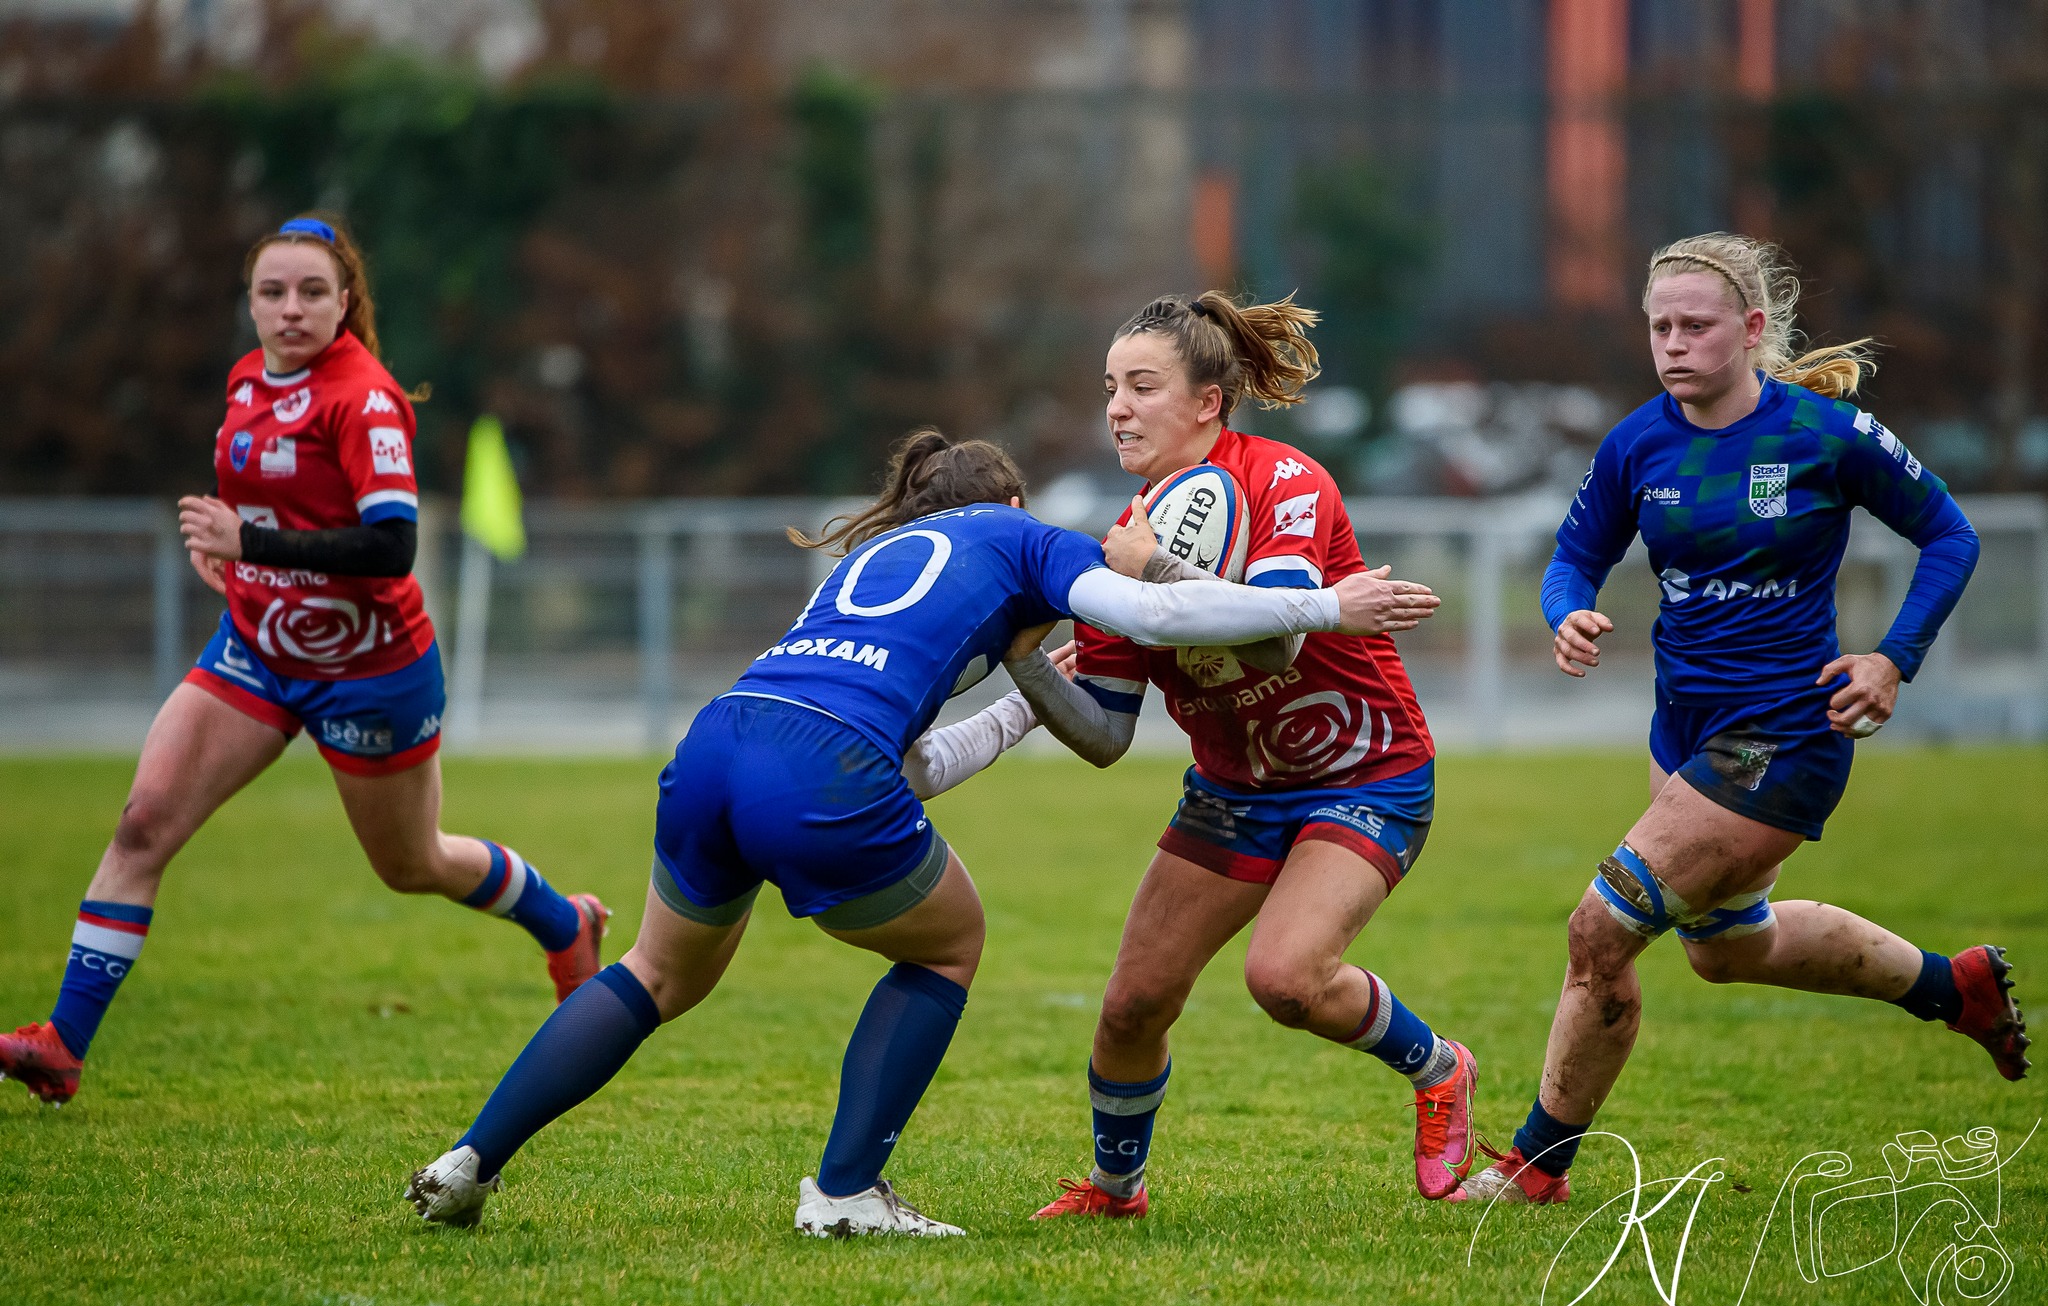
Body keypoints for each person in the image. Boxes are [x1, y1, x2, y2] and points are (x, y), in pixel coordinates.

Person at [404, 428, 1431, 1236]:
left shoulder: (889, 557)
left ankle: (466, 1161)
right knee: (950, 940)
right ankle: (845, 1189)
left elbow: (910, 762)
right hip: (817, 769)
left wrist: (1022, 704)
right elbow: (1154, 614)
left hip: (719, 742)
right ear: (1013, 504)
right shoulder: (1018, 540)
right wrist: (1329, 607)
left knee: (654, 975)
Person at [1455, 232, 2027, 1208]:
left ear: (1751, 330)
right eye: (1657, 326)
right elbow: (1570, 556)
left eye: (1693, 325)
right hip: (1681, 726)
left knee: (1599, 927)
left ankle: (1533, 1165)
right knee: (1724, 948)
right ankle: (1952, 985)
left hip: (1786, 731)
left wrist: (1891, 658)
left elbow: (1947, 533)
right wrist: (1565, 612)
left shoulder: (1823, 435)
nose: (1672, 344)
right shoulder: (1637, 441)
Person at [0, 216, 608, 1109]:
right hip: (256, 646)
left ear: (345, 301)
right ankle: (62, 1043)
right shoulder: (248, 378)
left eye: (312, 292)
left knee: (411, 864)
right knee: (142, 825)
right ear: (249, 304)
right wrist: (229, 549)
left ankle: (566, 921)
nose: (291, 309)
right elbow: (265, 502)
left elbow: (391, 546)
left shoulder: (363, 399)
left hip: (369, 669)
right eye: (273, 292)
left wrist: (251, 536)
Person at [1001, 291, 1476, 1218]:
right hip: (1233, 792)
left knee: (1285, 979)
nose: (1118, 408)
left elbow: (1276, 644)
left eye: (1143, 385)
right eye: (1110, 388)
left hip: (1364, 774)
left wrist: (1152, 577)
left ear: (1209, 401)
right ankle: (1116, 1188)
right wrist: (1023, 661)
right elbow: (1103, 732)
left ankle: (1440, 1066)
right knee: (1132, 1004)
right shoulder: (1120, 540)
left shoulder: (1286, 482)